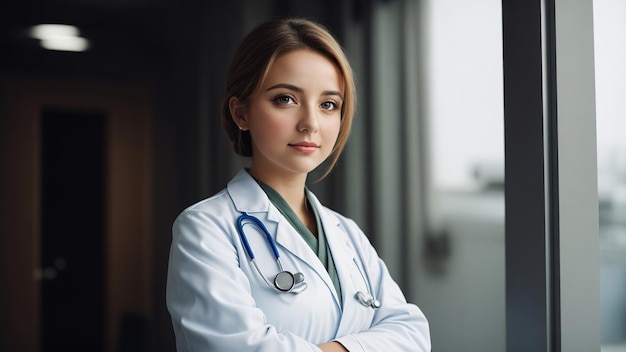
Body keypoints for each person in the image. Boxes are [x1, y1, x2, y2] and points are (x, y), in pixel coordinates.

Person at [166, 18, 431, 352]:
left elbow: (413, 335)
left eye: (328, 104)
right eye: (285, 99)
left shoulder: (346, 234)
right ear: (241, 113)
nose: (310, 123)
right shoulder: (205, 229)